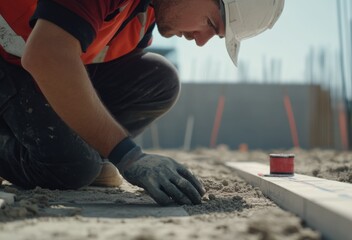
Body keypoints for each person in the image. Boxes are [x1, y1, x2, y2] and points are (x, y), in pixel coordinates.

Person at [0, 0, 284, 205]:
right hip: (13, 65)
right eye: (210, 23)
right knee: (74, 168)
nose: (201, 42)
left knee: (160, 80)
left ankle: (81, 157)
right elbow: (47, 54)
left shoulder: (143, 16)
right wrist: (127, 154)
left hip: (29, 72)